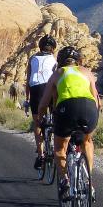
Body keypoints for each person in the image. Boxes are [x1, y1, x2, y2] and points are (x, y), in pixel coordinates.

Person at [37, 45, 99, 199]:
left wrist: (40, 118)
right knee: (87, 141)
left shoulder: (58, 73)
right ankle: (88, 182)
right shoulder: (87, 72)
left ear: (61, 62)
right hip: (89, 108)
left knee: (60, 148)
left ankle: (65, 180)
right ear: (78, 61)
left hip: (67, 108)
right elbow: (98, 100)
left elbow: (44, 103)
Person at [27, 35, 58, 171]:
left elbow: (28, 80)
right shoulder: (54, 60)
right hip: (50, 88)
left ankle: (40, 155)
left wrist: (27, 99)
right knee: (55, 117)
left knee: (38, 123)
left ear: (40, 47)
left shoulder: (32, 59)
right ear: (52, 49)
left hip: (36, 89)